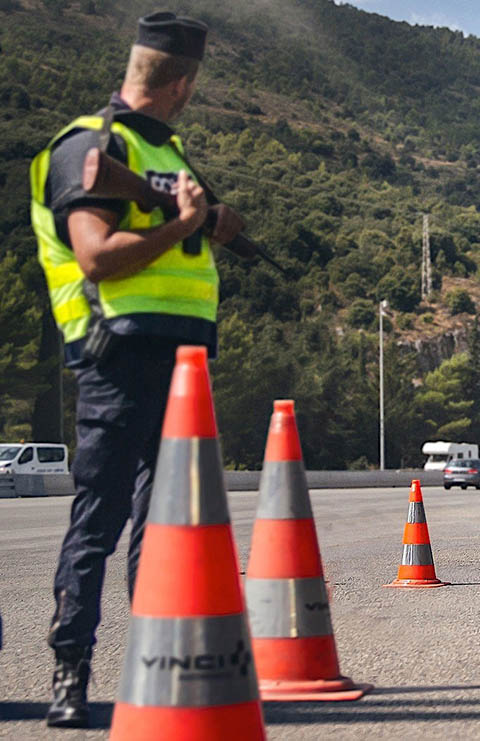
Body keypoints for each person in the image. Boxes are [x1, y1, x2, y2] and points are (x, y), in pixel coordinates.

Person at [29, 12, 241, 728]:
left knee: (167, 526)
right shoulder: (91, 144)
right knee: (101, 516)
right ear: (182, 83)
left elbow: (176, 227)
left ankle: (162, 669)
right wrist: (183, 226)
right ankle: (70, 671)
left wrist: (210, 221)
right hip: (117, 353)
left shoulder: (169, 151)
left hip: (183, 362)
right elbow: (96, 256)